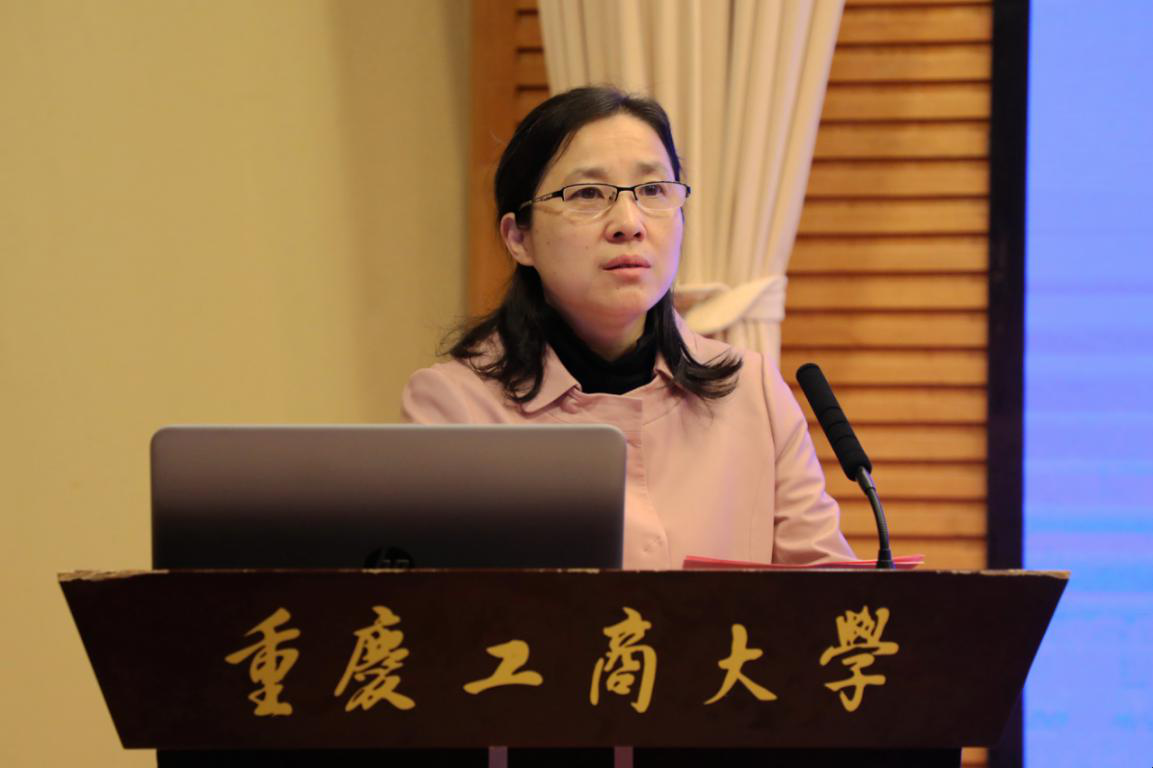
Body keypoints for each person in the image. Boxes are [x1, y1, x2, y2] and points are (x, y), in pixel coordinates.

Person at [403, 86, 853, 569]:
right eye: (587, 194)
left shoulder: (754, 392)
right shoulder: (454, 408)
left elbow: (830, 593)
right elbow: (440, 605)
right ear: (519, 238)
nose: (628, 223)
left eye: (653, 190)